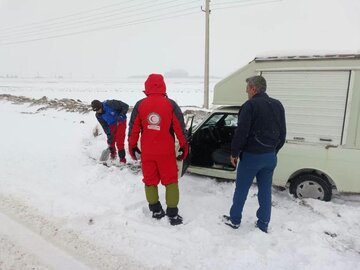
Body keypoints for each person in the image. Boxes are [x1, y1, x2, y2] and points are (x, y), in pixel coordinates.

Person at [223, 75, 286, 233]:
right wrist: (273, 150)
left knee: (242, 189)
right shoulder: (278, 105)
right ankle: (263, 223)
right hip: (270, 156)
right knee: (265, 190)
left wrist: (234, 152)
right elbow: (283, 133)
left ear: (253, 88)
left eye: (247, 89)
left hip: (251, 156)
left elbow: (241, 132)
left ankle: (235, 219)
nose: (246, 92)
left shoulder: (250, 106)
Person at [128, 73, 188, 226]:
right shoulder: (171, 104)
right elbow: (180, 129)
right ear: (163, 86)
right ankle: (173, 215)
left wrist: (132, 146)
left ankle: (155, 210)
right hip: (166, 153)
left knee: (150, 181)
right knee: (171, 181)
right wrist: (184, 146)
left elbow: (133, 129)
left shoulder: (140, 105)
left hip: (147, 152)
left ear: (147, 86)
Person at [91, 99, 129, 164]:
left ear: (101, 106)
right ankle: (113, 156)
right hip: (111, 124)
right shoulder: (98, 115)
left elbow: (125, 106)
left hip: (120, 121)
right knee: (111, 141)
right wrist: (109, 135)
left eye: (98, 109)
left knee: (119, 141)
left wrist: (121, 115)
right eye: (96, 111)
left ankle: (122, 160)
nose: (98, 111)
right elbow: (105, 126)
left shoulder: (110, 104)